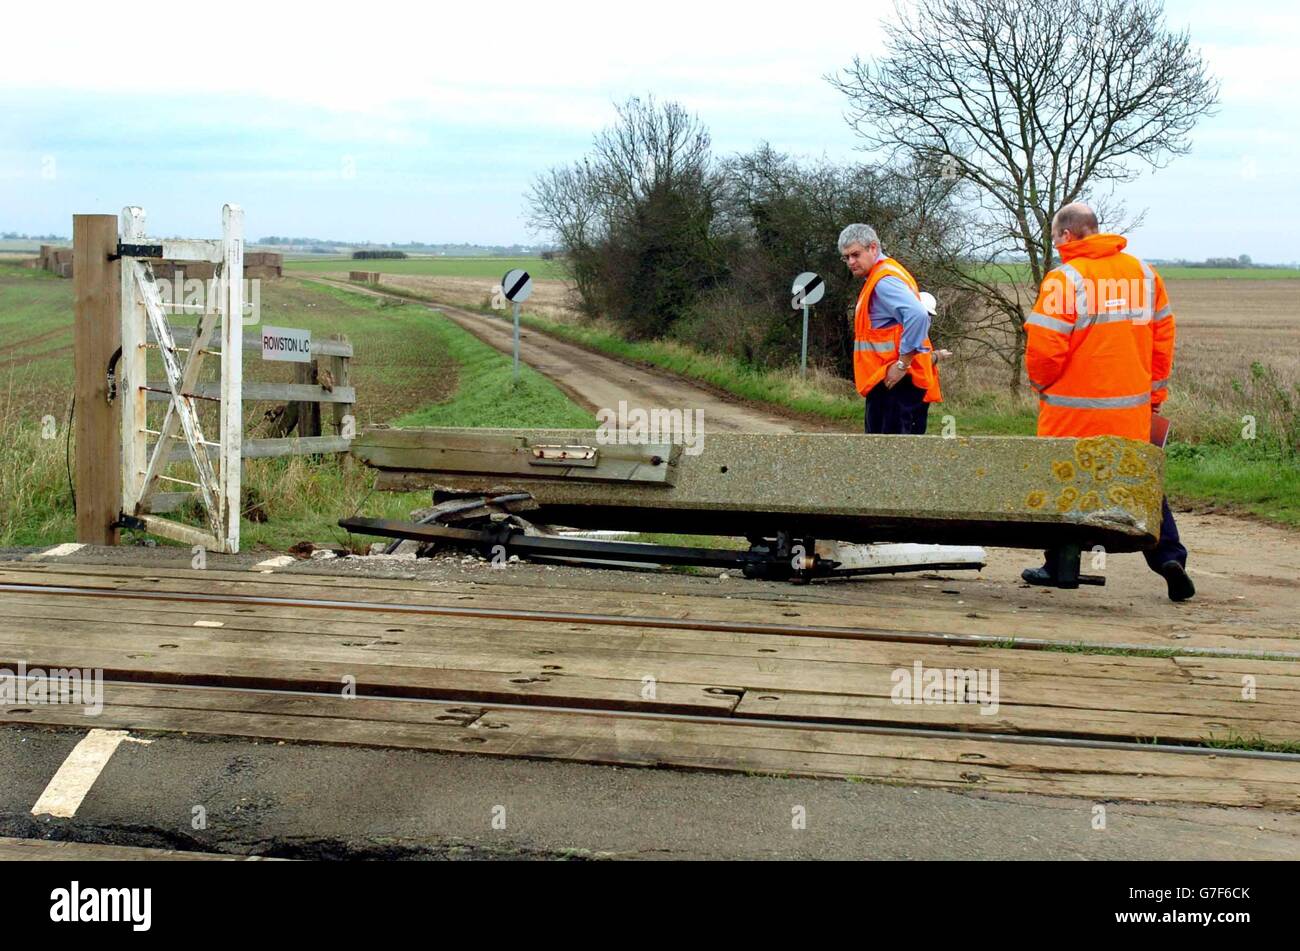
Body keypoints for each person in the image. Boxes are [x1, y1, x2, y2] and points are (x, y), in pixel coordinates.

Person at [1021, 202, 1194, 602]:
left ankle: (1060, 567)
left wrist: (1041, 386)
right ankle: (1170, 559)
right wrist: (1153, 396)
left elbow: (1045, 349)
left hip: (1071, 413)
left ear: (1066, 236)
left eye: (1055, 239)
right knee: (1139, 485)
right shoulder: (1145, 275)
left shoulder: (1065, 279)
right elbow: (1162, 340)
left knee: (1064, 485)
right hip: (1130, 413)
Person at [839, 224, 942, 434]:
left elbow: (918, 314)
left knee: (886, 459)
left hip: (893, 385)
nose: (850, 262)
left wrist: (902, 364)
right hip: (894, 383)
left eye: (855, 254)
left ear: (873, 248)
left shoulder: (883, 281)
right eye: (846, 257)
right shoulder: (888, 272)